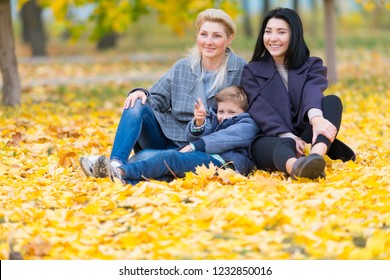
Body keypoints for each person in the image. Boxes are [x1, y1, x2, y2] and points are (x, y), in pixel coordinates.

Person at [79, 8, 247, 177]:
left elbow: (246, 118)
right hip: (166, 136)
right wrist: (140, 92)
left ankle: (121, 168)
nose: (208, 41)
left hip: (202, 147)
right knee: (136, 104)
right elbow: (155, 99)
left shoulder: (241, 69)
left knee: (142, 158)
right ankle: (116, 163)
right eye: (204, 34)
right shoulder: (183, 67)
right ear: (197, 36)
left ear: (229, 38)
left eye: (216, 36)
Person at [241, 7, 355, 180]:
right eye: (268, 32)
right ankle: (298, 168)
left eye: (281, 32)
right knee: (280, 145)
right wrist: (289, 136)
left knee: (332, 102)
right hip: (273, 136)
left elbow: (312, 90)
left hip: (309, 135)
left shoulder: (312, 65)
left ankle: (315, 157)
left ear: (294, 35)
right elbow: (259, 108)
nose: (273, 38)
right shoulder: (251, 71)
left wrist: (316, 120)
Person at [92, 86, 260, 185]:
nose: (224, 115)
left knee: (171, 158)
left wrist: (195, 146)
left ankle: (119, 171)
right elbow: (193, 137)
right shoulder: (215, 121)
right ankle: (125, 180)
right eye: (221, 111)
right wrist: (199, 123)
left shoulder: (247, 124)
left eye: (231, 112)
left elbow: (226, 138)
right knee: (168, 172)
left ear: (243, 111)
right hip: (203, 159)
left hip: (224, 164)